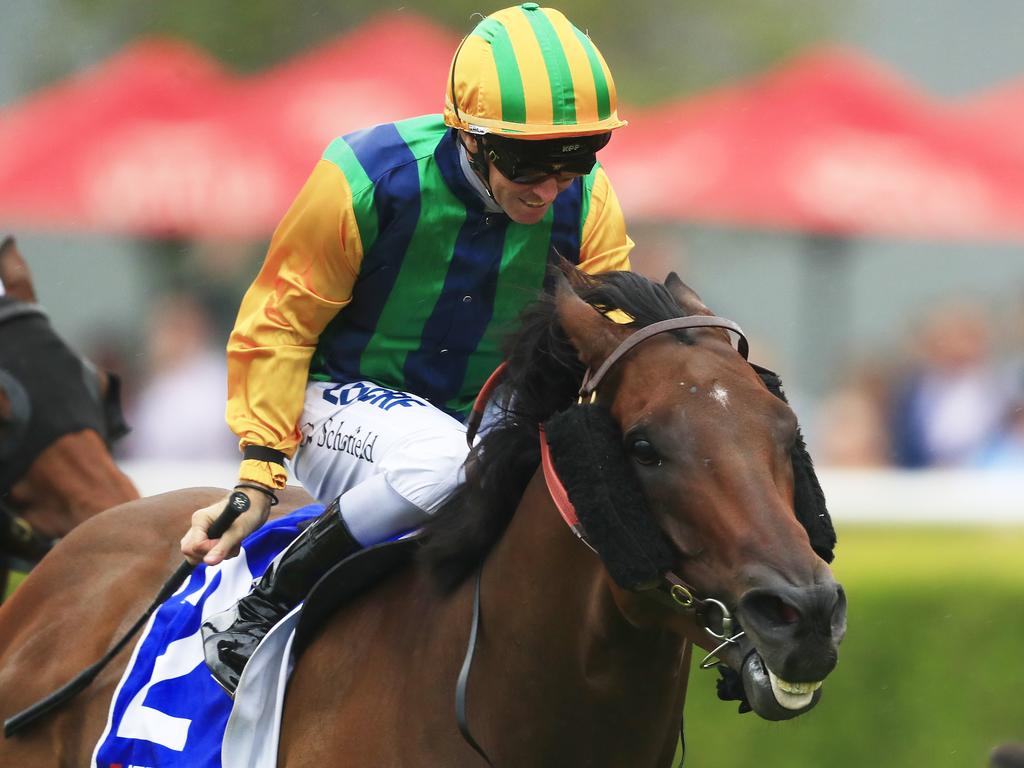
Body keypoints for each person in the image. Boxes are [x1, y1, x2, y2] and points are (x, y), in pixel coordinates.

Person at [180, 2, 634, 695]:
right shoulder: (365, 174)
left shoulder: (589, 204)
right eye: (529, 161)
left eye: (577, 157)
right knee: (445, 462)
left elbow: (609, 336)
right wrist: (258, 474)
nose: (550, 186)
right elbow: (280, 321)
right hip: (337, 401)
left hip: (482, 418)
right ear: (471, 136)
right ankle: (266, 603)